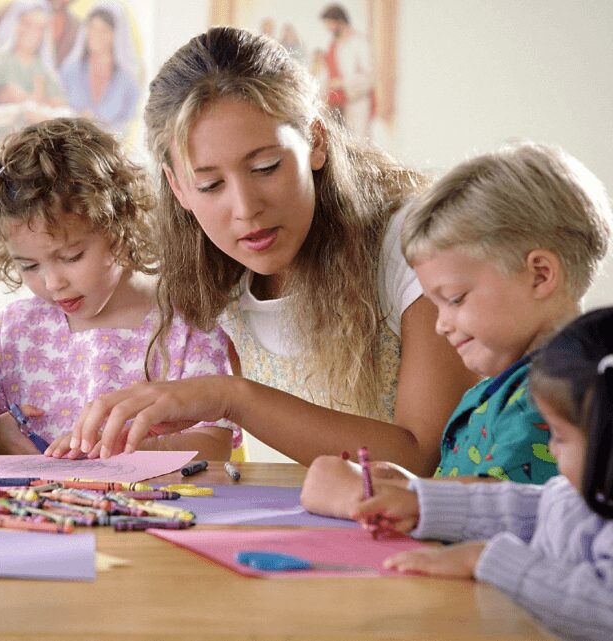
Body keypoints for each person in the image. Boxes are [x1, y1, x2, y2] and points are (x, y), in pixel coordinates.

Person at [54, 26, 476, 469]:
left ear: (316, 141)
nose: (245, 208)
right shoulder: (213, 281)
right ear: (178, 187)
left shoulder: (413, 243)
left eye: (266, 167)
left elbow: (423, 457)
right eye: (210, 184)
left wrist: (229, 397)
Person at [301, 141, 612, 514]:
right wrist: (409, 485)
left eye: (455, 299)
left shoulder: (551, 397)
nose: (441, 326)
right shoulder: (506, 387)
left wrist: (379, 497)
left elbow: (504, 508)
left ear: (540, 274)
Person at [310, 306, 613, 641]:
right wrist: (422, 503)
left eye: (560, 436)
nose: (552, 449)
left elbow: (603, 608)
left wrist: (486, 559)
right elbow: (529, 509)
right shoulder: (578, 494)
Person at [0, 116, 239, 460]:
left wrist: (119, 449)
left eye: (72, 256)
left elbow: (214, 446)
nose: (53, 283)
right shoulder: (14, 332)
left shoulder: (186, 325)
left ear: (119, 226)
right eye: (29, 266)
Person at [0, 0, 69, 143]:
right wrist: (17, 109)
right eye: (27, 24)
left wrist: (40, 109)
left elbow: (63, 115)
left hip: (35, 153)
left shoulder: (45, 71)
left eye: (39, 28)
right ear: (15, 25)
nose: (32, 32)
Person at [58, 3, 141, 133]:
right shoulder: (69, 71)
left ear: (116, 35)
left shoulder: (128, 81)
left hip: (111, 150)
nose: (95, 35)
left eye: (103, 30)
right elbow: (55, 112)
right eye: (91, 28)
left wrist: (101, 126)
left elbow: (131, 125)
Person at [319, 3, 374, 138]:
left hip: (356, 104)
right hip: (336, 105)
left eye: (330, 24)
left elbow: (370, 77)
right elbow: (328, 73)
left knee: (358, 144)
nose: (329, 29)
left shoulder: (359, 43)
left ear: (340, 21)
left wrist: (343, 83)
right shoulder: (335, 45)